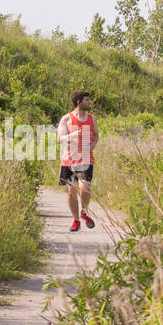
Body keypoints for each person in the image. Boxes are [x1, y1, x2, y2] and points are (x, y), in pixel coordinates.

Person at [57, 90, 98, 232]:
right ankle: (76, 220)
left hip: (86, 158)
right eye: (87, 100)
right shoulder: (66, 119)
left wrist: (91, 146)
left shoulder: (92, 118)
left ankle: (84, 212)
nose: (89, 102)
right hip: (69, 160)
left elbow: (96, 135)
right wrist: (75, 134)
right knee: (71, 191)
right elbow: (60, 139)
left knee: (85, 187)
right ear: (78, 102)